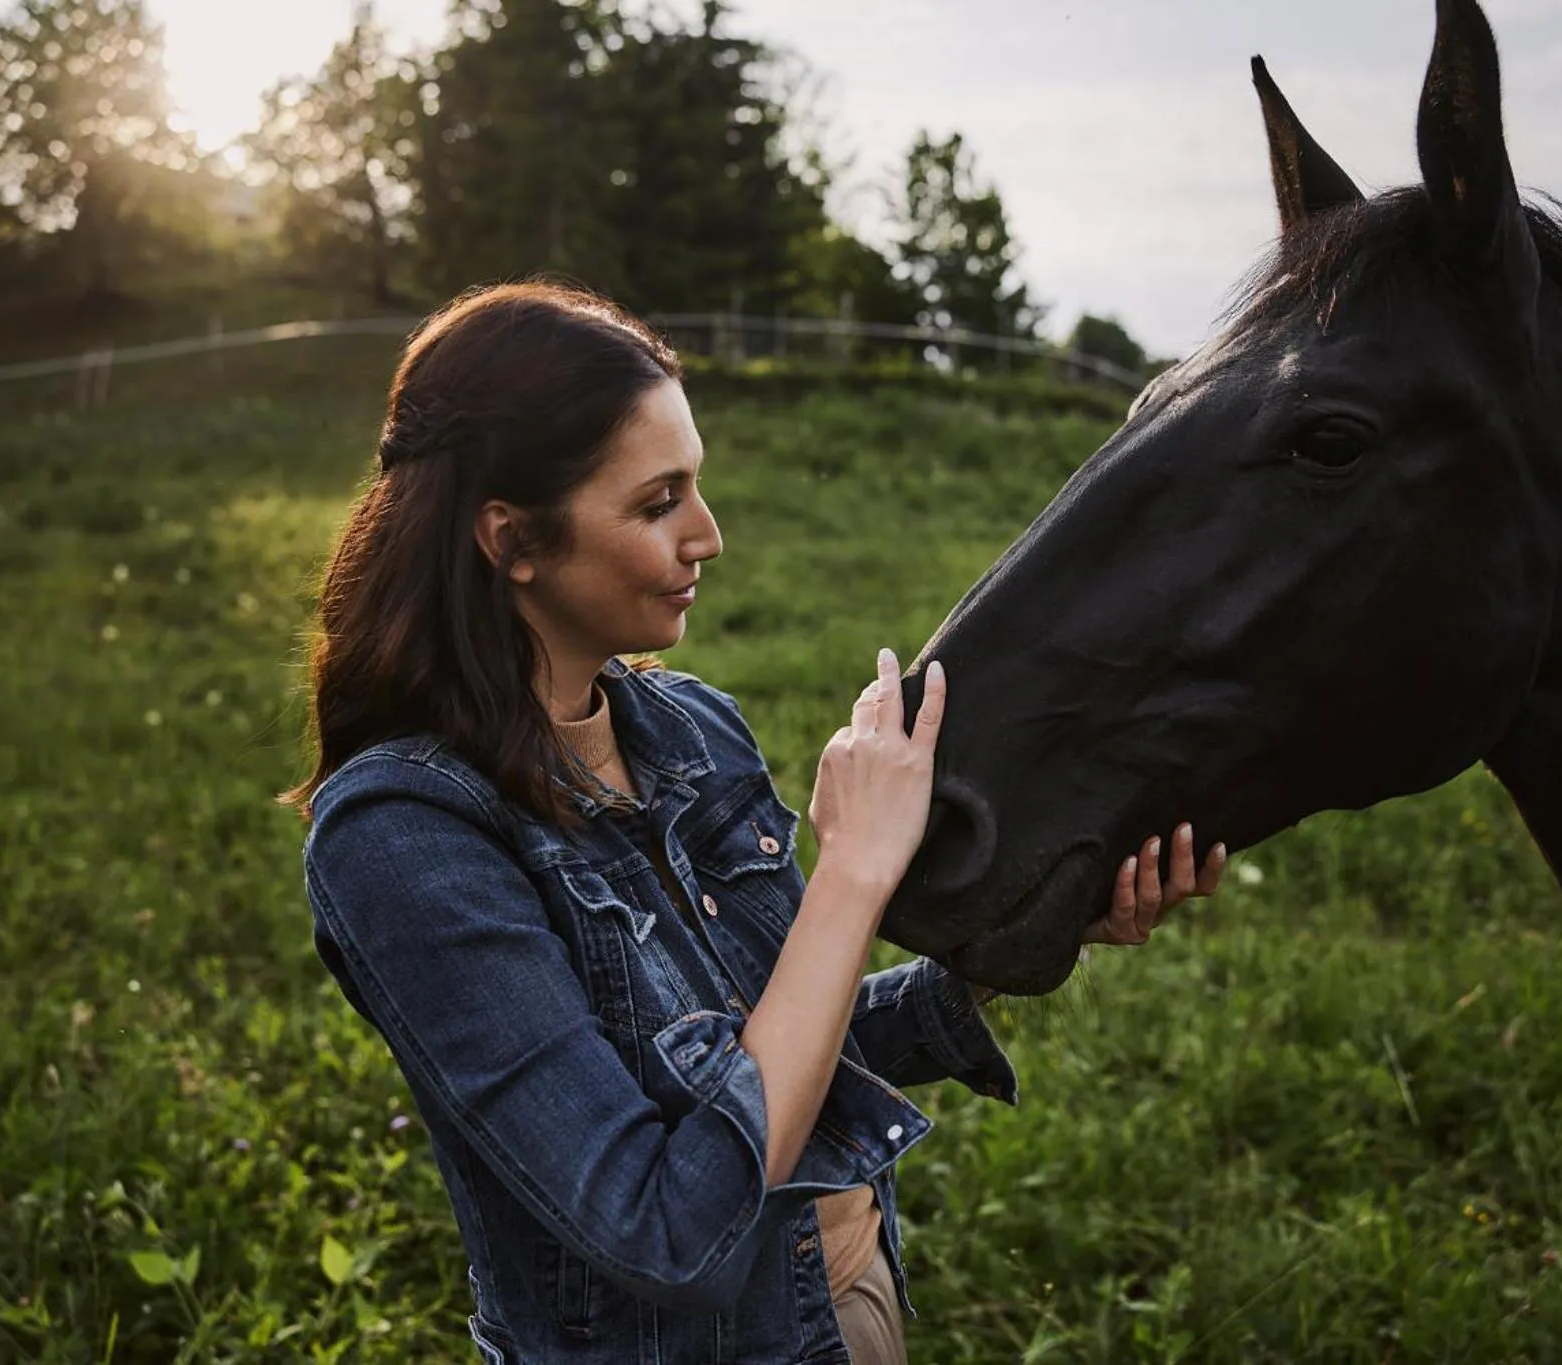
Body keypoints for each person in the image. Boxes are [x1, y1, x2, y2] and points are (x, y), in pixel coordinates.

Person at [287, 282, 1228, 1365]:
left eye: (699, 487)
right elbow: (664, 1225)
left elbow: (777, 1051)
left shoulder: (690, 730)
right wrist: (850, 875)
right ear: (512, 540)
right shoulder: (404, 836)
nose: (709, 536)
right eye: (657, 504)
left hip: (849, 1310)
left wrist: (1040, 930)